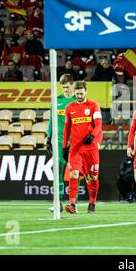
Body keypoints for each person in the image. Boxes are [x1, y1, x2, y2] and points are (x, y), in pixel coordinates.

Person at [62, 81, 103, 213]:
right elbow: (67, 128)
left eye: (81, 93)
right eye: (77, 93)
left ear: (86, 91)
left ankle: (92, 203)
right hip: (75, 148)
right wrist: (64, 146)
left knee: (92, 177)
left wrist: (92, 136)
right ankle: (73, 205)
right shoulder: (69, 108)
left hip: (90, 148)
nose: (79, 95)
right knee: (73, 174)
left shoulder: (93, 105)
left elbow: (98, 125)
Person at [46, 74, 76, 212]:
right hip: (59, 141)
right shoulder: (57, 100)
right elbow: (52, 119)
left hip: (75, 142)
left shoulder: (78, 100)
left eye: (68, 87)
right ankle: (59, 202)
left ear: (73, 85)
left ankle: (74, 202)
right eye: (63, 88)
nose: (66, 90)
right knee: (57, 170)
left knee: (77, 172)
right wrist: (48, 137)